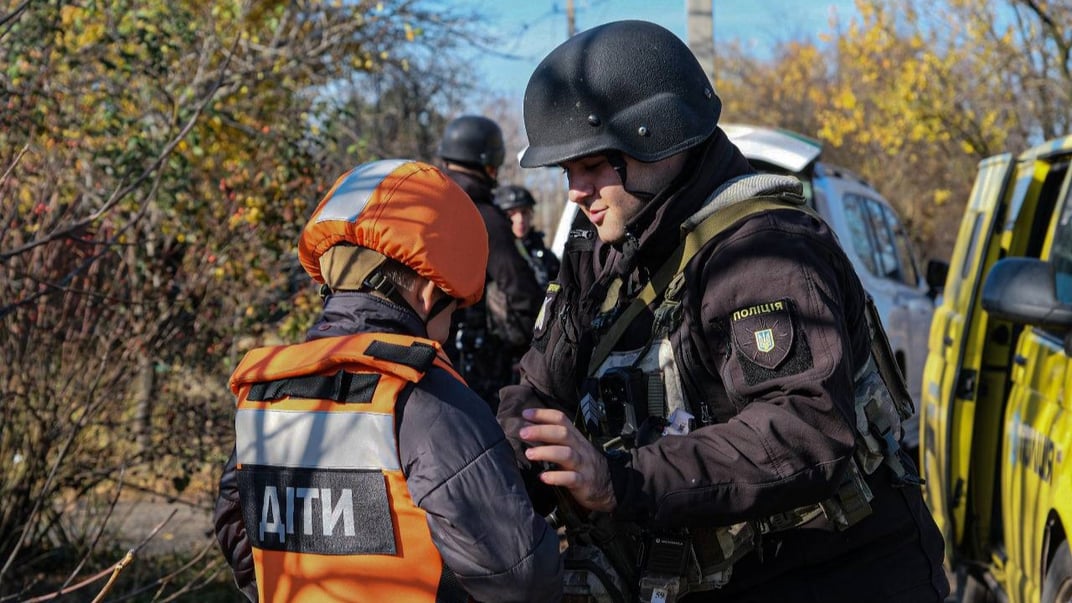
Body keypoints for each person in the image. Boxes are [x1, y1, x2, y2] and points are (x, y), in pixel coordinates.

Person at [496, 20, 950, 603]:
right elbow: (538, 389)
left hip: (831, 575)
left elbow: (803, 427)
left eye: (591, 166)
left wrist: (620, 479)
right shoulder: (598, 251)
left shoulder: (765, 250)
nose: (575, 191)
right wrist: (488, 479)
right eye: (566, 172)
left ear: (657, 135)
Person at [213, 159, 562, 603]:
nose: (452, 324)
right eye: (454, 309)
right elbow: (522, 579)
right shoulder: (426, 396)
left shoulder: (266, 393)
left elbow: (237, 535)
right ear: (429, 293)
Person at [437, 115, 545, 410]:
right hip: (472, 356)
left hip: (420, 347)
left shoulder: (426, 203)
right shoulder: (484, 216)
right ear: (488, 165)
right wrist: (533, 348)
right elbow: (519, 287)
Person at [493, 184, 562, 289]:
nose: (520, 219)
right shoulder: (491, 256)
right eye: (511, 213)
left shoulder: (547, 258)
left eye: (524, 212)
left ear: (531, 214)